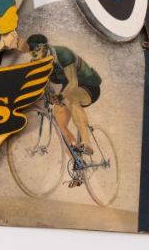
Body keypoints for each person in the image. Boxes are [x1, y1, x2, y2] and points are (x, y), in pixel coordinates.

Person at [25, 34, 102, 164]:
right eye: (30, 50)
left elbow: (73, 83)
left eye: (36, 49)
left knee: (70, 99)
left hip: (88, 85)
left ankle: (86, 143)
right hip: (68, 89)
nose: (33, 53)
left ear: (44, 47)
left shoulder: (62, 54)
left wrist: (60, 96)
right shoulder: (36, 62)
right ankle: (76, 160)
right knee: (58, 122)